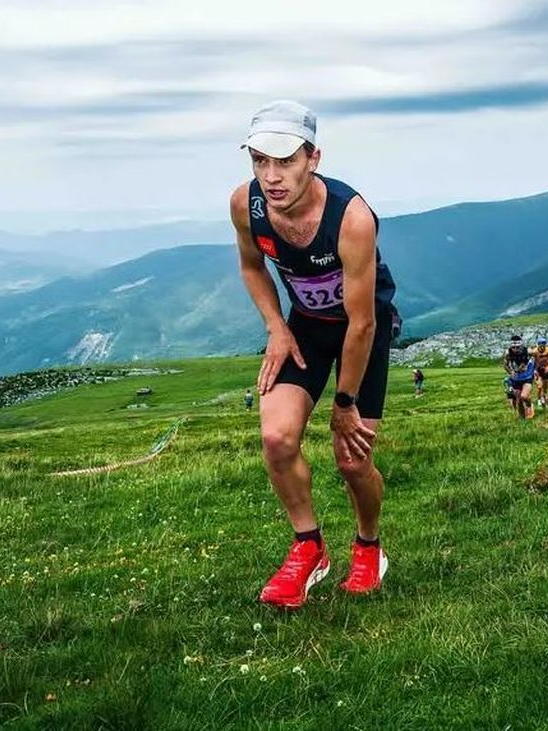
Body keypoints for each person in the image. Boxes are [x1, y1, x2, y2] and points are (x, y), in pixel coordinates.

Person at [231, 100, 397, 609]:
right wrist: (276, 326)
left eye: (285, 161)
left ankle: (368, 546)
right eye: (261, 160)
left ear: (314, 158)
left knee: (352, 460)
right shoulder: (246, 205)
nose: (272, 176)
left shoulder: (352, 219)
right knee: (276, 437)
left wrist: (343, 405)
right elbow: (252, 267)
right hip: (303, 328)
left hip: (360, 332)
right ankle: (309, 548)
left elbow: (364, 322)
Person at [502, 335, 537, 419]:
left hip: (527, 376)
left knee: (524, 396)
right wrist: (511, 372)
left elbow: (536, 356)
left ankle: (529, 405)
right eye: (513, 347)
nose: (515, 349)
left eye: (517, 347)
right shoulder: (508, 353)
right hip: (516, 378)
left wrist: (534, 369)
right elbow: (505, 365)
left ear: (521, 346)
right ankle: (522, 418)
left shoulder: (528, 351)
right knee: (518, 399)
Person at [529, 336, 548, 407]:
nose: (542, 348)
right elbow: (530, 360)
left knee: (545, 388)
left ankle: (545, 401)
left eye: (543, 346)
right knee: (539, 386)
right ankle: (539, 400)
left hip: (545, 371)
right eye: (540, 346)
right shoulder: (534, 352)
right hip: (537, 370)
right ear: (538, 345)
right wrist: (533, 370)